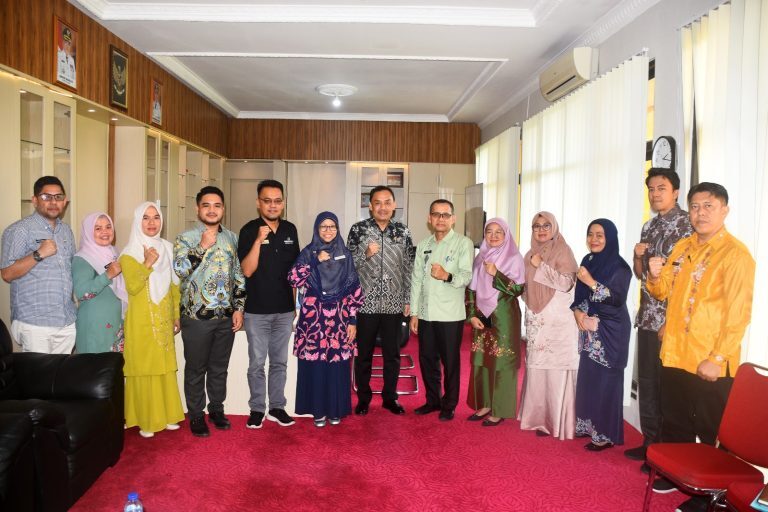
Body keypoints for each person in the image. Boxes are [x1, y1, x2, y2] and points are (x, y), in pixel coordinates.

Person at [647, 183, 755, 507]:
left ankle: (710, 496)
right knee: (675, 420)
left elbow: (738, 314)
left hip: (709, 361)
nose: (700, 213)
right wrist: (654, 275)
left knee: (711, 430)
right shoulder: (683, 246)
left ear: (724, 210)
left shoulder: (736, 254)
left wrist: (717, 357)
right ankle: (679, 476)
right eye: (695, 206)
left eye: (709, 206)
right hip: (675, 353)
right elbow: (662, 292)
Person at [624, 169, 692, 467]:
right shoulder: (648, 226)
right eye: (651, 189)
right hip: (647, 317)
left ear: (675, 192)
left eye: (661, 188)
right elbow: (641, 275)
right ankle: (650, 444)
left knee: (668, 389)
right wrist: (637, 256)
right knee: (648, 384)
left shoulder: (688, 225)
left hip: (672, 323)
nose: (655, 194)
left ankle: (667, 454)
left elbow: (688, 280)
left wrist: (671, 321)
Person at [174, 186, 246, 438]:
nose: (212, 210)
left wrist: (239, 308)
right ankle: (196, 414)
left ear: (223, 209)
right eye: (206, 205)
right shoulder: (186, 238)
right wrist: (201, 246)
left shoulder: (232, 238)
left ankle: (216, 409)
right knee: (196, 368)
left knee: (219, 367)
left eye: (217, 205)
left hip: (225, 316)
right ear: (198, 208)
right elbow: (180, 270)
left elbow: (238, 274)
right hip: (196, 317)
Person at [289, 212, 364, 427]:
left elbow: (353, 289)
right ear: (317, 229)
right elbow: (293, 278)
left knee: (337, 365)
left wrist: (353, 321)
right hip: (314, 318)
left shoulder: (345, 254)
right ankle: (318, 410)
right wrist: (314, 260)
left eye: (332, 226)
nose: (328, 230)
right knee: (316, 364)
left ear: (338, 229)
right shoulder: (308, 252)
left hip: (340, 318)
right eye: (323, 226)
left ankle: (335, 409)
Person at [347, 185, 415, 416]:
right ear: (370, 206)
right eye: (378, 202)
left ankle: (389, 398)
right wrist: (365, 254)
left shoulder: (403, 232)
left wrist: (407, 298)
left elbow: (408, 267)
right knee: (363, 355)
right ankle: (363, 398)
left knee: (392, 355)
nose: (383, 207)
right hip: (365, 304)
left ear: (394, 206)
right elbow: (348, 266)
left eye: (387, 202)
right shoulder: (358, 230)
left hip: (394, 304)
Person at [238, 180, 299, 429]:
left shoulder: (290, 230)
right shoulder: (248, 230)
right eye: (267, 201)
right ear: (258, 203)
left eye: (277, 201)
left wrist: (294, 308)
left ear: (283, 203)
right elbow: (247, 270)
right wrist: (258, 241)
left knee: (279, 363)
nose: (272, 205)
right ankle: (256, 409)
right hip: (257, 311)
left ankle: (277, 407)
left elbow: (295, 273)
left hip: (284, 310)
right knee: (256, 364)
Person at [120, 202, 184, 438]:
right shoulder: (129, 253)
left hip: (163, 318)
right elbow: (133, 286)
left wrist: (176, 314)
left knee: (164, 366)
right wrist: (147, 263)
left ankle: (166, 415)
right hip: (141, 320)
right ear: (138, 221)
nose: (151, 222)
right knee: (144, 366)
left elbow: (174, 286)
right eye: (145, 218)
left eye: (156, 217)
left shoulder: (167, 248)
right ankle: (146, 419)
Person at [410, 199, 473, 421]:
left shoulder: (463, 243)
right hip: (426, 313)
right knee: (427, 359)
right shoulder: (423, 245)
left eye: (445, 215)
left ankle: (449, 404)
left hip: (450, 314)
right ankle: (433, 400)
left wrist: (447, 275)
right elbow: (416, 279)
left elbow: (466, 276)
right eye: (436, 214)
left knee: (450, 362)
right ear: (429, 218)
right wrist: (414, 313)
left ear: (453, 219)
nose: (441, 219)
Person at [571, 219, 632, 451]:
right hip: (590, 327)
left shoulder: (620, 267)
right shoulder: (588, 260)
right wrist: (577, 312)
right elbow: (580, 294)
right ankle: (588, 425)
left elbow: (616, 298)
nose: (594, 239)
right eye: (590, 234)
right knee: (589, 378)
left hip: (611, 331)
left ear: (610, 238)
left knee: (607, 381)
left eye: (600, 235)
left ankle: (605, 434)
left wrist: (590, 281)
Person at [518, 212, 580, 439]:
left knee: (555, 369)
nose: (541, 230)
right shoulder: (529, 254)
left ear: (554, 228)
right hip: (537, 318)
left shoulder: (563, 250)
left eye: (546, 225)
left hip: (558, 321)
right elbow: (525, 287)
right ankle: (538, 418)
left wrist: (541, 266)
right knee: (537, 367)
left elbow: (567, 283)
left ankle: (555, 420)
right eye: (536, 226)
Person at [1, 176, 77, 354]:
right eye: (46, 197)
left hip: (66, 320)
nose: (53, 202)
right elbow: (7, 273)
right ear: (35, 200)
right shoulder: (19, 230)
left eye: (58, 197)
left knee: (61, 372)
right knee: (37, 372)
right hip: (34, 321)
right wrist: (38, 254)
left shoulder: (66, 231)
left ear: (64, 201)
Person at [465, 218, 524, 426]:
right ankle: (485, 404)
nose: (494, 235)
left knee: (502, 361)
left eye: (499, 231)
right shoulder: (480, 256)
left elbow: (518, 289)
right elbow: (471, 289)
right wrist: (472, 314)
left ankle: (500, 409)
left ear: (506, 235)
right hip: (482, 313)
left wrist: (497, 274)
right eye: (489, 231)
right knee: (482, 358)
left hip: (504, 316)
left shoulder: (514, 258)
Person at [72, 212, 127, 353]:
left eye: (108, 227)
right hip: (94, 327)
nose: (105, 232)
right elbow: (82, 293)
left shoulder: (114, 253)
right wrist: (107, 275)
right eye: (98, 228)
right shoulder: (82, 258)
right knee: (94, 366)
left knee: (113, 366)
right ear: (88, 232)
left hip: (115, 326)